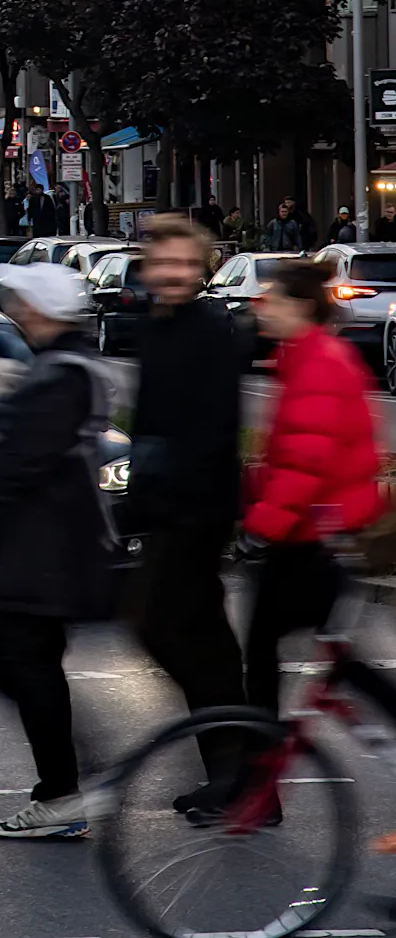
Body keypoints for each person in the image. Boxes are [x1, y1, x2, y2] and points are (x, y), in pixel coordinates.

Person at [0, 262, 117, 840]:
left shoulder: (60, 375)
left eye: (23, 302)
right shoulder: (60, 366)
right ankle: (70, 784)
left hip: (43, 550)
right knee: (31, 664)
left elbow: (18, 458)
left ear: (42, 309)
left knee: (20, 661)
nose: (17, 312)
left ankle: (67, 788)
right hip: (44, 546)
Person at [120, 213, 246, 809]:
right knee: (200, 639)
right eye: (164, 264)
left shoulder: (206, 330)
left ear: (202, 271)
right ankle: (234, 769)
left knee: (166, 630)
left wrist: (160, 495)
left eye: (186, 265)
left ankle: (233, 762)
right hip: (171, 506)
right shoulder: (156, 326)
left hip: (197, 509)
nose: (173, 275)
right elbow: (149, 421)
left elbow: (211, 430)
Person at [241, 258, 383, 721]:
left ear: (299, 307)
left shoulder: (317, 363)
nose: (262, 309)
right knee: (319, 646)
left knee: (263, 644)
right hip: (318, 527)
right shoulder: (306, 356)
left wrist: (260, 526)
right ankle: (258, 764)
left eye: (271, 300)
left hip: (312, 530)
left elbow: (307, 461)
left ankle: (257, 763)